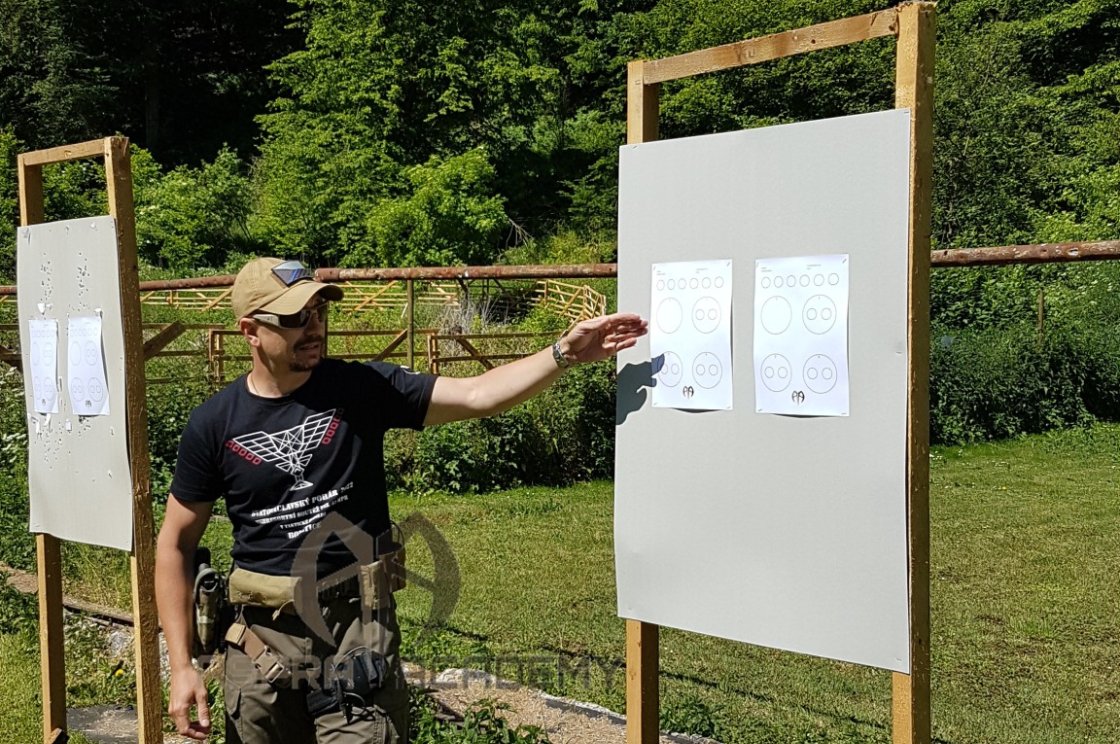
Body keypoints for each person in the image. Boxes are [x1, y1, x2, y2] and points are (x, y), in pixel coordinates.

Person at [154, 257, 647, 743]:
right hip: (261, 640)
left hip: (355, 630)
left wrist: (563, 353)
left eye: (319, 311)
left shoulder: (361, 389)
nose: (314, 326)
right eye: (296, 317)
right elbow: (175, 545)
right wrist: (181, 667)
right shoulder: (213, 424)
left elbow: (478, 394)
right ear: (250, 331)